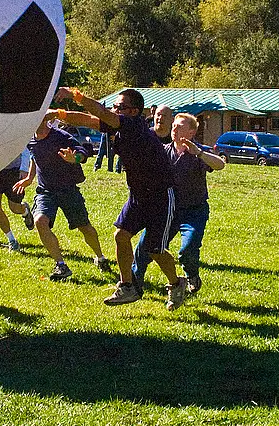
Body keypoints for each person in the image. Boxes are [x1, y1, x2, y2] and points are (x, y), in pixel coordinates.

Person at [52, 87, 187, 311]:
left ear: (134, 111)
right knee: (121, 235)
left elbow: (100, 114)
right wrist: (57, 115)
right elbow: (89, 120)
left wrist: (76, 95)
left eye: (120, 107)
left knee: (155, 249)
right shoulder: (119, 125)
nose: (114, 110)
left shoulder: (134, 126)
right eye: (114, 106)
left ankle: (176, 283)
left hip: (161, 196)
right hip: (138, 195)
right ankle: (127, 287)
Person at [132, 112, 224, 296]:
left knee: (188, 249)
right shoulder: (164, 150)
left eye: (180, 126)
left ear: (191, 132)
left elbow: (220, 165)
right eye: (174, 125)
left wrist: (198, 153)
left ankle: (192, 276)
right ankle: (133, 284)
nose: (174, 128)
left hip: (193, 211)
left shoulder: (200, 151)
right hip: (167, 211)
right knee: (145, 248)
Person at [14, 116, 109, 281]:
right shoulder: (31, 140)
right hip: (46, 191)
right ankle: (61, 265)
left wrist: (75, 159)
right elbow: (34, 157)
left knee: (85, 227)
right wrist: (29, 178)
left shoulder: (61, 136)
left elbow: (83, 152)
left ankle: (100, 257)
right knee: (40, 221)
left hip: (68, 190)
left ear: (45, 120)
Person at [0, 149, 35, 252]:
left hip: (13, 171)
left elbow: (24, 148)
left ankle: (25, 210)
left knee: (14, 208)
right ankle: (11, 240)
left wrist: (24, 169)